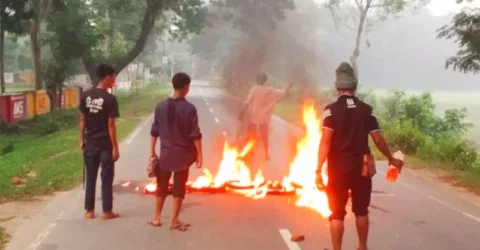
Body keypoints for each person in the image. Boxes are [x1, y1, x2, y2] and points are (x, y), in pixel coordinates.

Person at [316, 62, 404, 250]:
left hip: (338, 168)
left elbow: (325, 142)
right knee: (361, 211)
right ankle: (362, 247)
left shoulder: (330, 110)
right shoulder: (366, 110)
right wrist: (390, 158)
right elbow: (378, 139)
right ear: (355, 87)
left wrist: (317, 169)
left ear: (337, 87)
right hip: (361, 168)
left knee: (337, 214)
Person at [149, 72, 203, 231]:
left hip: (165, 154)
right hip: (183, 156)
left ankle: (157, 218)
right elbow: (195, 134)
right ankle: (174, 220)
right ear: (186, 87)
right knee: (179, 187)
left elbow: (154, 131)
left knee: (162, 185)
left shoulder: (160, 106)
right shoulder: (189, 109)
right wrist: (200, 154)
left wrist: (152, 151)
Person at [79, 64, 120, 220]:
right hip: (105, 145)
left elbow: (82, 119)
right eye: (114, 77)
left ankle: (89, 211)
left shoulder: (86, 95)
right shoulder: (110, 99)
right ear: (108, 77)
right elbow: (111, 125)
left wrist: (81, 140)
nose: (114, 80)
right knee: (106, 178)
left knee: (91, 177)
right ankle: (106, 211)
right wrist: (115, 147)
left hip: (89, 142)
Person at [240, 72, 292, 160]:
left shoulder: (254, 89)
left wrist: (241, 113)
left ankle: (245, 153)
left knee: (249, 135)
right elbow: (283, 92)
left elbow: (247, 102)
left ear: (257, 80)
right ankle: (266, 155)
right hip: (264, 119)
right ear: (265, 81)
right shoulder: (271, 91)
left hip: (254, 117)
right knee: (265, 137)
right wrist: (288, 87)